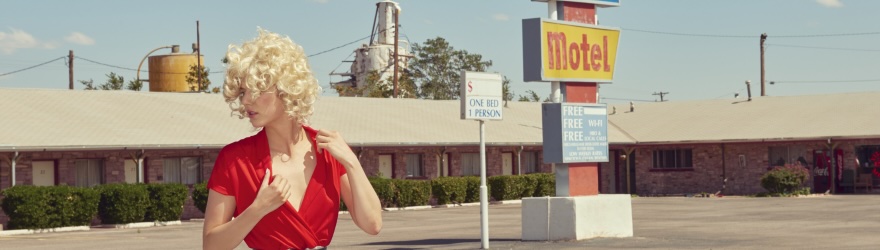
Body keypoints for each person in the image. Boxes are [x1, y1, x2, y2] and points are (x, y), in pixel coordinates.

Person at [202, 28, 382, 250]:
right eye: (242, 92)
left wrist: (351, 162)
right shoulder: (234, 160)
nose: (246, 100)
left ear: (286, 89)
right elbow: (211, 246)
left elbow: (373, 224)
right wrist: (257, 209)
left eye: (256, 90)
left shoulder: (328, 151)